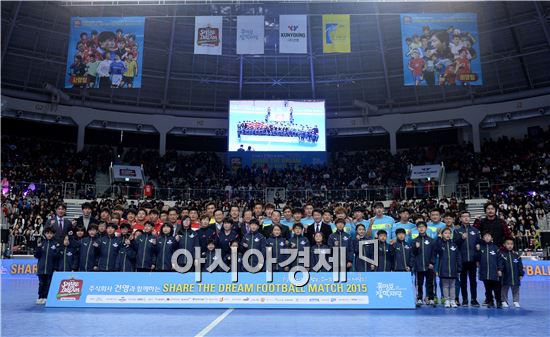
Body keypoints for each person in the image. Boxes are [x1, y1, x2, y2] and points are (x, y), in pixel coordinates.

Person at [453, 210, 480, 307]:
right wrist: (461, 238)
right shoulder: (457, 231)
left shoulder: (475, 231)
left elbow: (478, 245)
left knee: (473, 281)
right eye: (463, 216)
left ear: (470, 218)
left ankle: (474, 299)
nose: (466, 218)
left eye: (467, 216)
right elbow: (454, 245)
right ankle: (464, 299)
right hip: (462, 260)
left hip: (473, 260)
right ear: (460, 219)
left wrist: (477, 259)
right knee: (463, 281)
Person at [435, 227, 462, 308]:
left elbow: (458, 257)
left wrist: (459, 267)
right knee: (445, 285)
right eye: (445, 233)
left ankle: (453, 300)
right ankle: (447, 300)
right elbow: (436, 246)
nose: (447, 235)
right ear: (442, 235)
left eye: (449, 233)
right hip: (443, 269)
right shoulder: (440, 244)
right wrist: (439, 237)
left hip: (453, 269)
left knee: (453, 285)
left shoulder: (454, 245)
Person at [477, 231, 503, 308]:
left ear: (492, 238)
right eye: (485, 236)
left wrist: (499, 269)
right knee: (487, 289)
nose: (487, 237)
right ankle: (490, 301)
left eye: (489, 236)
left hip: (494, 273)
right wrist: (478, 251)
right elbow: (476, 258)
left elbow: (499, 259)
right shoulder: (480, 247)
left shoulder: (495, 248)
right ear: (483, 238)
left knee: (497, 288)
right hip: (484, 272)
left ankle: (499, 301)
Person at [412, 221, 436, 307]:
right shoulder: (414, 241)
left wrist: (432, 262)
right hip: (418, 266)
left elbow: (434, 253)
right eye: (419, 227)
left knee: (430, 283)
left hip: (429, 266)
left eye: (423, 227)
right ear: (417, 229)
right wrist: (416, 247)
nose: (421, 228)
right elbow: (413, 254)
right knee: (419, 283)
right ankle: (419, 298)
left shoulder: (431, 241)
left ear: (426, 228)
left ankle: (431, 298)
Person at [34, 227, 57, 305]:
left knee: (48, 283)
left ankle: (46, 297)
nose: (49, 235)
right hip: (41, 268)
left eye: (51, 233)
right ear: (45, 234)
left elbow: (56, 257)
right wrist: (38, 247)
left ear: (53, 234)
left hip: (50, 268)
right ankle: (40, 297)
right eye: (47, 233)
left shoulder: (56, 244)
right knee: (41, 283)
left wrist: (55, 268)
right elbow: (36, 255)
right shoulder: (42, 243)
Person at [500, 238, 524, 308]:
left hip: (515, 276)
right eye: (508, 244)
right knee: (504, 288)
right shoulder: (502, 255)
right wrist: (500, 271)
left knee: (516, 288)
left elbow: (520, 266)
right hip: (505, 276)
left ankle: (516, 301)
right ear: (504, 245)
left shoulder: (517, 255)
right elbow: (500, 265)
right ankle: (504, 301)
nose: (510, 245)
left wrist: (521, 274)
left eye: (511, 244)